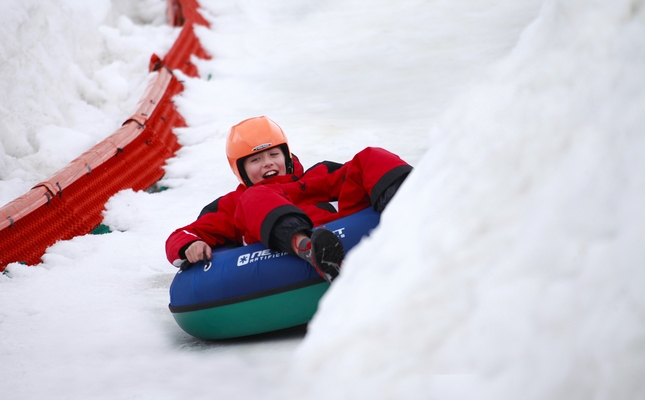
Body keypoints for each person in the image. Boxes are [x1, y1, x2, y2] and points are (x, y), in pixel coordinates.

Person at [165, 116, 412, 282]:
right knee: (256, 195)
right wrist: (189, 246)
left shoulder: (318, 175)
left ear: (287, 156)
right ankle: (309, 248)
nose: (268, 162)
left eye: (274, 154)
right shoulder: (233, 203)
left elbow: (359, 174)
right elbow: (185, 234)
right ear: (240, 170)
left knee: (371, 156)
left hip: (340, 228)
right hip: (293, 246)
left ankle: (413, 205)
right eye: (256, 160)